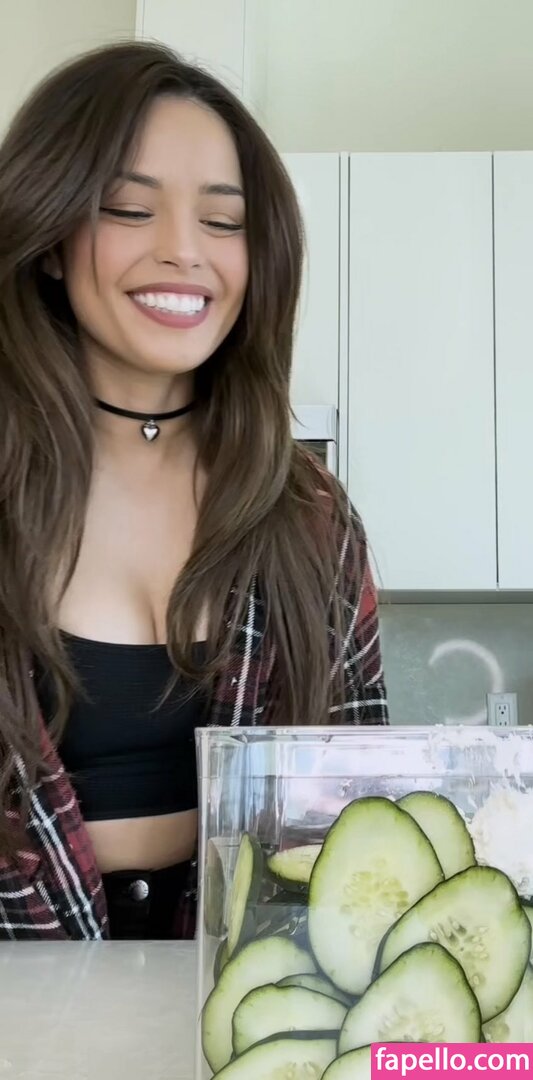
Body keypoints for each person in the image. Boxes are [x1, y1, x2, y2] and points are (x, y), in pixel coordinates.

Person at [0, 40, 388, 942]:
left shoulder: (308, 516)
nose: (183, 251)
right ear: (49, 240)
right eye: (129, 209)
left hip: (243, 989)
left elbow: (362, 800)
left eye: (223, 221)